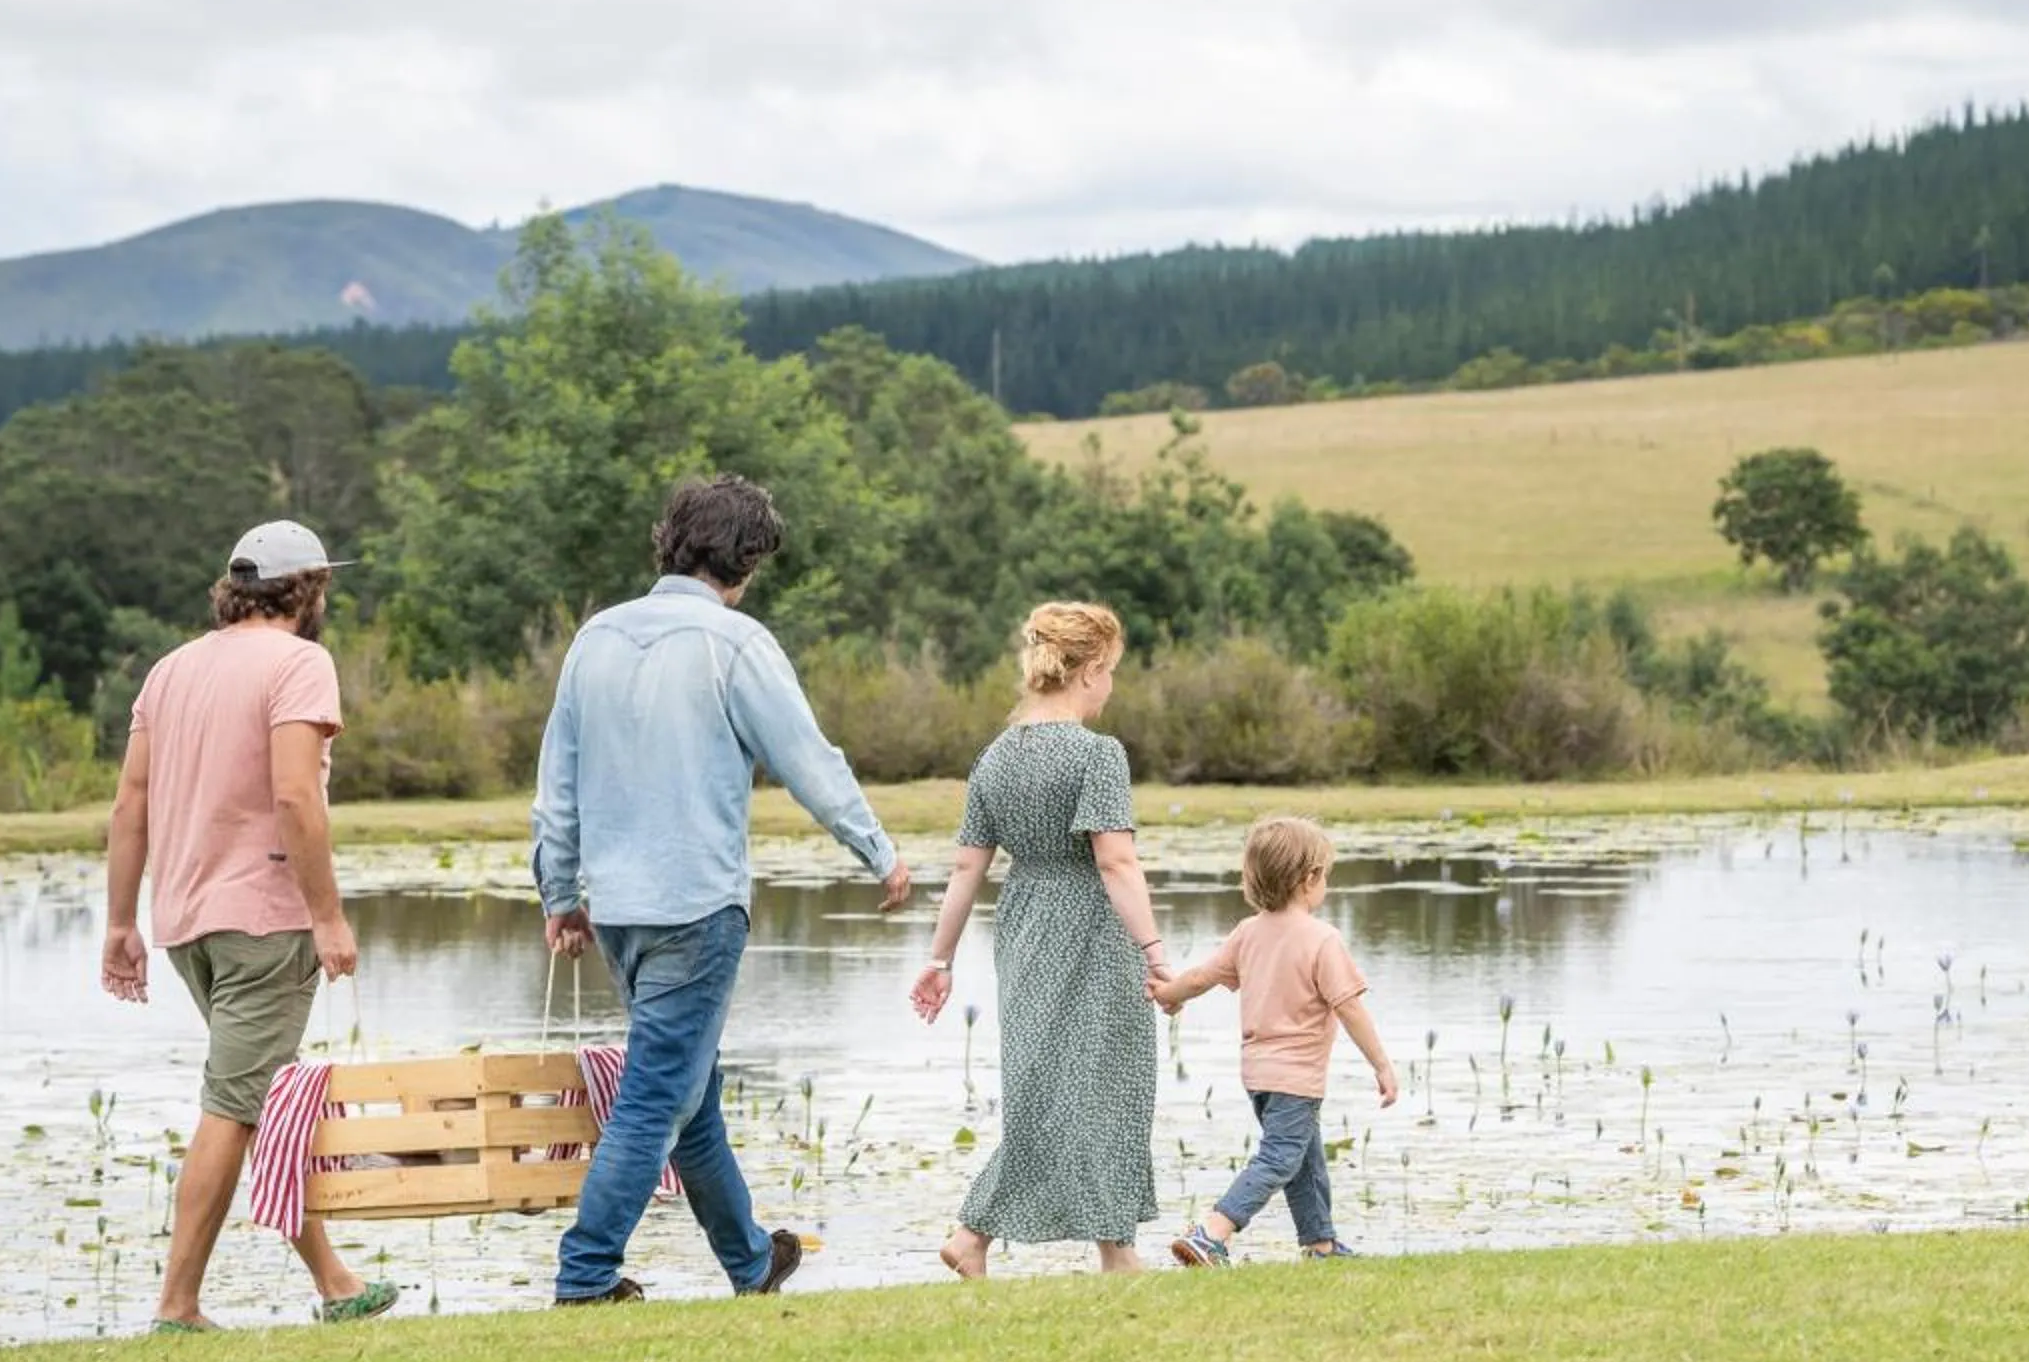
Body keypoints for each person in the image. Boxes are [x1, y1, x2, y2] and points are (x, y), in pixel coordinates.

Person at [534, 474, 912, 1306]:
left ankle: (750, 1261)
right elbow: (808, 760)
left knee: (687, 1094)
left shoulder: (595, 638)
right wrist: (877, 851)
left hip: (620, 914)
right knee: (652, 1099)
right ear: (743, 560)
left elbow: (555, 787)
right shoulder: (733, 642)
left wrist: (559, 895)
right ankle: (584, 1276)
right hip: (697, 908)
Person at [100, 519, 399, 1334]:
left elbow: (131, 803)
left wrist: (121, 922)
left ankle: (335, 1283)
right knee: (237, 1103)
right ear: (305, 589)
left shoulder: (170, 670)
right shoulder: (301, 663)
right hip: (266, 921)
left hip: (187, 921)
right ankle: (177, 1306)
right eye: (324, 585)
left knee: (266, 1098)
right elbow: (296, 797)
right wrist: (328, 917)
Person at [910, 602, 1168, 1277]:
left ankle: (1112, 1247)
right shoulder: (1098, 755)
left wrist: (940, 959)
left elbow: (969, 866)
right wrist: (1156, 951)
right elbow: (1115, 863)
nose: (1112, 687)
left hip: (1024, 924)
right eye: (1111, 672)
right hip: (1090, 926)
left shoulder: (995, 757)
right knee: (1106, 1081)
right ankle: (984, 1234)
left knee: (1048, 1083)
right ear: (1089, 671)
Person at [1151, 816, 1399, 1265]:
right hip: (1296, 1075)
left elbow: (1203, 976)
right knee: (1281, 1158)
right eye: (1326, 874)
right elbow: (1349, 1007)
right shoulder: (1322, 939)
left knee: (1305, 1158)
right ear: (1310, 879)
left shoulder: (1248, 932)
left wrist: (1169, 994)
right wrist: (1381, 1064)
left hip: (1258, 1075)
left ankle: (1320, 1244)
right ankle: (1212, 1232)